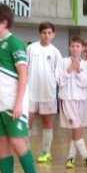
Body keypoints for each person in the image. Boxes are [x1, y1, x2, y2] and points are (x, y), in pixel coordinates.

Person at [0, 3, 44, 173]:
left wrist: (19, 104)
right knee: (1, 144)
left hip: (13, 104)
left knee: (18, 142)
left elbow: (23, 76)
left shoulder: (16, 44)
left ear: (4, 22)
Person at [27, 21, 63, 163]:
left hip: (48, 93)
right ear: (40, 34)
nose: (46, 35)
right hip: (30, 92)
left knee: (47, 123)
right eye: (44, 33)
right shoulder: (30, 48)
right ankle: (26, 151)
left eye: (49, 33)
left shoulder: (55, 52)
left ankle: (46, 152)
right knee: (26, 122)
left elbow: (59, 74)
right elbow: (24, 67)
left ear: (53, 35)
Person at [55, 35, 87, 168]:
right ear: (69, 47)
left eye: (78, 46)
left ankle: (70, 158)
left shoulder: (86, 65)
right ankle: (86, 158)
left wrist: (78, 70)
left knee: (78, 130)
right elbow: (59, 80)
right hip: (68, 99)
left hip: (82, 100)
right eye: (72, 46)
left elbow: (86, 83)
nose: (75, 49)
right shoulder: (62, 61)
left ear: (82, 48)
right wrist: (70, 69)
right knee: (76, 129)